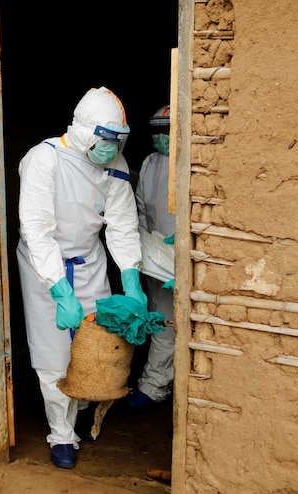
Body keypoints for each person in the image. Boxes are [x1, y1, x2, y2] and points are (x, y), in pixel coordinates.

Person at [16, 86, 148, 469]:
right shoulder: (44, 160)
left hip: (89, 261)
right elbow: (36, 230)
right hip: (45, 266)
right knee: (53, 355)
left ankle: (85, 401)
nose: (113, 148)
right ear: (86, 130)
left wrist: (132, 281)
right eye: (107, 140)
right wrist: (60, 291)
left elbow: (122, 225)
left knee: (96, 346)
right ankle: (61, 434)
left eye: (120, 141)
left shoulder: (116, 165)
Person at [126, 104, 175, 410]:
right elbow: (142, 210)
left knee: (190, 329)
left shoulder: (193, 163)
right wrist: (148, 251)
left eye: (166, 132)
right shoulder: (150, 163)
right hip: (158, 259)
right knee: (162, 321)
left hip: (188, 259)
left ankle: (174, 392)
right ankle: (153, 386)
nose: (161, 138)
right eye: (156, 132)